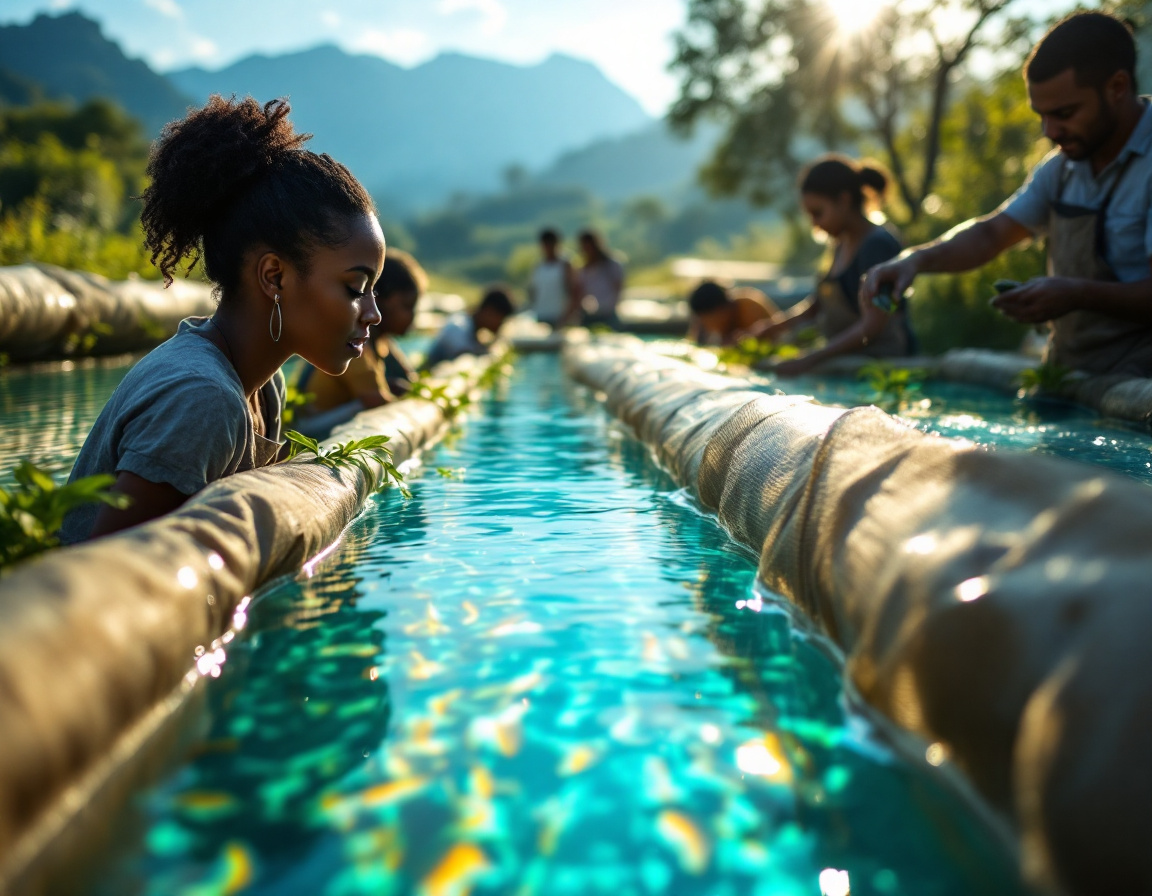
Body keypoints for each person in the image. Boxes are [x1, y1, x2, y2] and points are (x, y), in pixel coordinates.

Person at [58, 96, 384, 544]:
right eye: (354, 287)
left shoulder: (263, 390)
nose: (373, 313)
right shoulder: (203, 398)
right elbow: (112, 579)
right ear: (275, 276)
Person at [862, 12, 1152, 377]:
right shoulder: (1060, 168)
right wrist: (913, 261)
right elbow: (992, 233)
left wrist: (1077, 293)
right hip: (1072, 376)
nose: (1050, 131)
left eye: (1064, 113)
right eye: (1041, 115)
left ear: (1117, 87)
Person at [747, 155, 911, 375]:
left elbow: (874, 325)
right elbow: (817, 306)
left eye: (818, 213)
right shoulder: (840, 243)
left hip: (882, 363)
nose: (814, 223)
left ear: (843, 201)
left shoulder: (878, 246)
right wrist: (772, 328)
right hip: (847, 359)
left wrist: (809, 359)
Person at [293, 248, 426, 437]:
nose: (413, 316)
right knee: (366, 408)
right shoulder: (355, 343)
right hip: (305, 433)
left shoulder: (381, 344)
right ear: (380, 301)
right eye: (407, 306)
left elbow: (411, 380)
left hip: (322, 423)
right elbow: (376, 401)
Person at [422, 287, 515, 369]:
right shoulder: (458, 326)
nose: (501, 325)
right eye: (501, 319)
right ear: (489, 312)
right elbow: (463, 355)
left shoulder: (475, 331)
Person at [687, 280, 778, 345]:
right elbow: (695, 342)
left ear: (721, 310)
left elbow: (768, 336)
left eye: (708, 321)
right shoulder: (705, 317)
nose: (708, 326)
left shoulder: (748, 306)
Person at [528, 227, 581, 329]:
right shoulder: (538, 266)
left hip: (560, 317)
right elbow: (533, 291)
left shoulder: (565, 264)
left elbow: (575, 291)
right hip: (541, 315)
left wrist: (567, 316)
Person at [577, 229, 625, 328]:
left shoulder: (612, 265)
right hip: (589, 315)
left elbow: (618, 287)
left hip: (609, 314)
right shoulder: (583, 270)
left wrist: (611, 304)